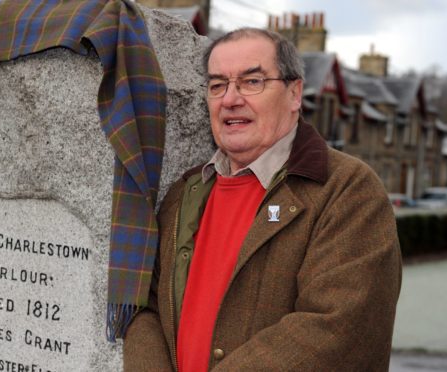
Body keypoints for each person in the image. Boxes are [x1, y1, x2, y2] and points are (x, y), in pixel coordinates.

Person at [123, 28, 402, 371]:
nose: (230, 99)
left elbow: (339, 328)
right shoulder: (184, 194)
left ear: (294, 93)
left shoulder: (347, 190)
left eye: (252, 81)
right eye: (217, 85)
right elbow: (145, 305)